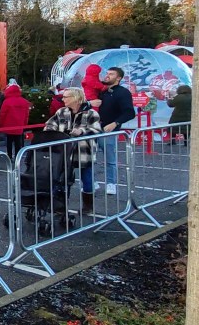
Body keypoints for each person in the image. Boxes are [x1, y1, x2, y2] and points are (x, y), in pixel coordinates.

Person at [43, 87, 102, 216]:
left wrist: (82, 131)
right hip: (64, 152)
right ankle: (60, 206)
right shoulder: (61, 112)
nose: (63, 99)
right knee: (61, 179)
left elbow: (97, 130)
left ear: (76, 98)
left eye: (66, 97)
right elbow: (50, 124)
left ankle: (88, 206)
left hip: (84, 152)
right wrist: (51, 131)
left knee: (87, 179)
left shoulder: (91, 113)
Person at [97, 67, 136, 195]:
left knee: (110, 159)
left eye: (111, 74)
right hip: (93, 128)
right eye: (107, 73)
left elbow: (129, 112)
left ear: (118, 78)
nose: (107, 76)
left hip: (109, 130)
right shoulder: (100, 91)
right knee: (89, 157)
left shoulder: (123, 93)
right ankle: (90, 182)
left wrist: (115, 123)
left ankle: (111, 183)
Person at [0, 82, 31, 160]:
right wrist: (25, 124)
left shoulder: (6, 101)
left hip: (8, 126)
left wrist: (1, 124)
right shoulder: (24, 102)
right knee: (18, 143)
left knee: (9, 143)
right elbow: (26, 114)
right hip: (19, 126)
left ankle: (9, 157)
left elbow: (2, 114)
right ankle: (17, 157)